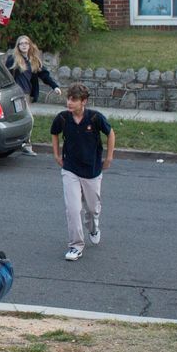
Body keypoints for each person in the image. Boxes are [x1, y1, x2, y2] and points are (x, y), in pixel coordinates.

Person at [50, 82, 114, 262]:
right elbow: (54, 133)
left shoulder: (95, 118)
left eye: (74, 100)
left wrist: (108, 158)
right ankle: (76, 245)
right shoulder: (62, 118)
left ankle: (93, 227)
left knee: (93, 209)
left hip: (92, 171)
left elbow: (110, 134)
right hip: (70, 169)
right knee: (73, 208)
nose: (69, 103)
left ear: (83, 101)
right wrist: (56, 154)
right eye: (68, 99)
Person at [4, 34, 59, 101]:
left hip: (27, 94)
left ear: (30, 45)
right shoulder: (12, 59)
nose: (24, 45)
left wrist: (55, 86)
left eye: (26, 43)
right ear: (18, 46)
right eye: (21, 43)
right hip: (15, 94)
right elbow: (6, 76)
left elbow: (44, 75)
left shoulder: (34, 60)